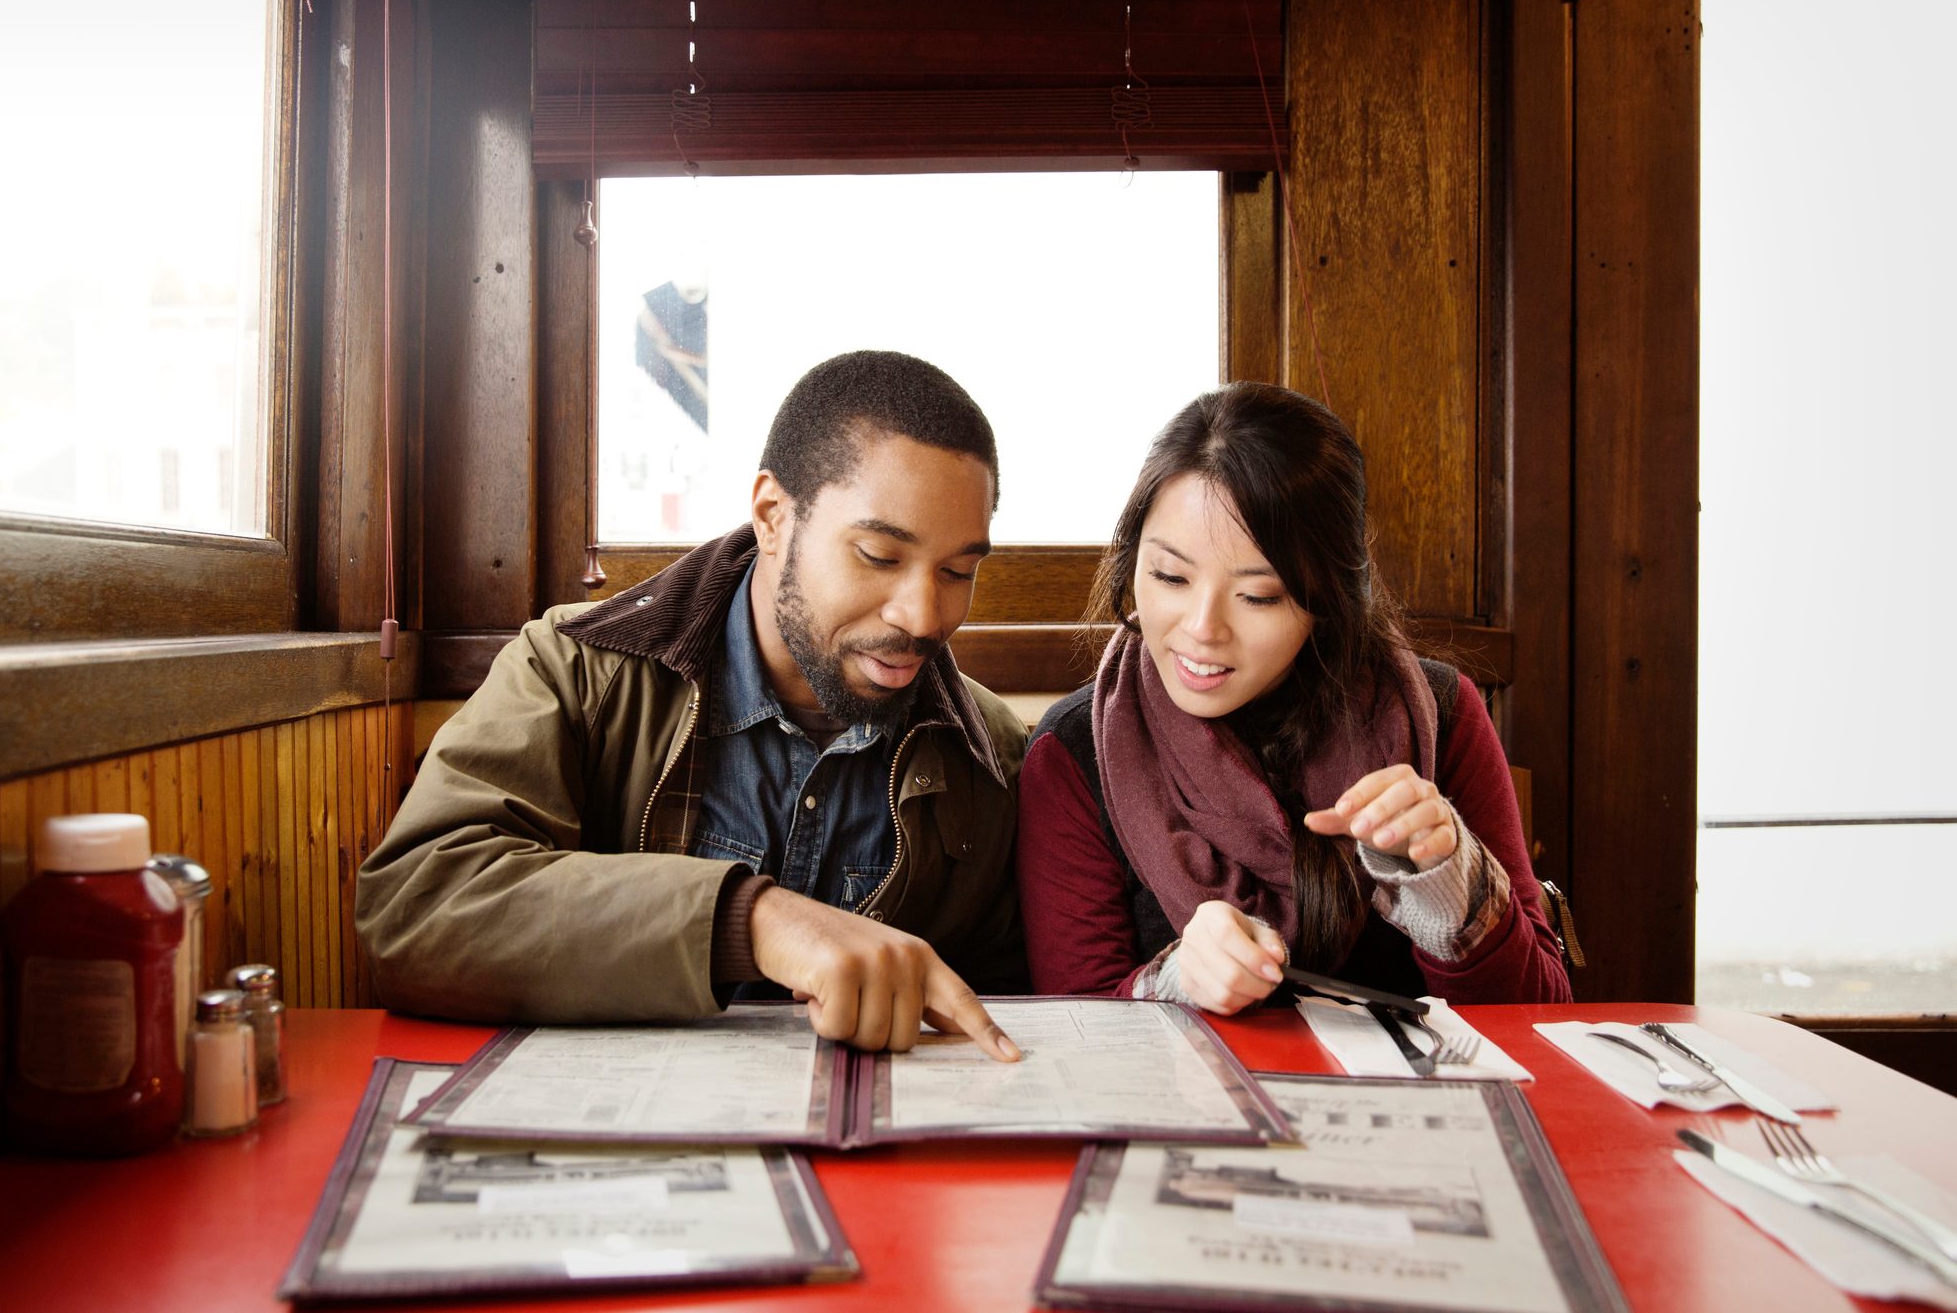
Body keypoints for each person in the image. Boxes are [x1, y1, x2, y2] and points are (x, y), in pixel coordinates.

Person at [359, 350, 1027, 1060]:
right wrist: (750, 921)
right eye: (878, 556)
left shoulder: (989, 751)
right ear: (773, 516)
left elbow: (1004, 1012)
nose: (922, 615)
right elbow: (414, 909)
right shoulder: (577, 668)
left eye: (958, 571)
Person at [1019, 382, 1570, 1011]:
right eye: (1170, 576)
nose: (1202, 628)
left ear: (1329, 597)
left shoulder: (1440, 715)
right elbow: (1075, 1036)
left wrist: (1448, 878)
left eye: (1259, 596)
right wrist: (1177, 982)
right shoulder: (1075, 750)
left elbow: (1540, 1015)